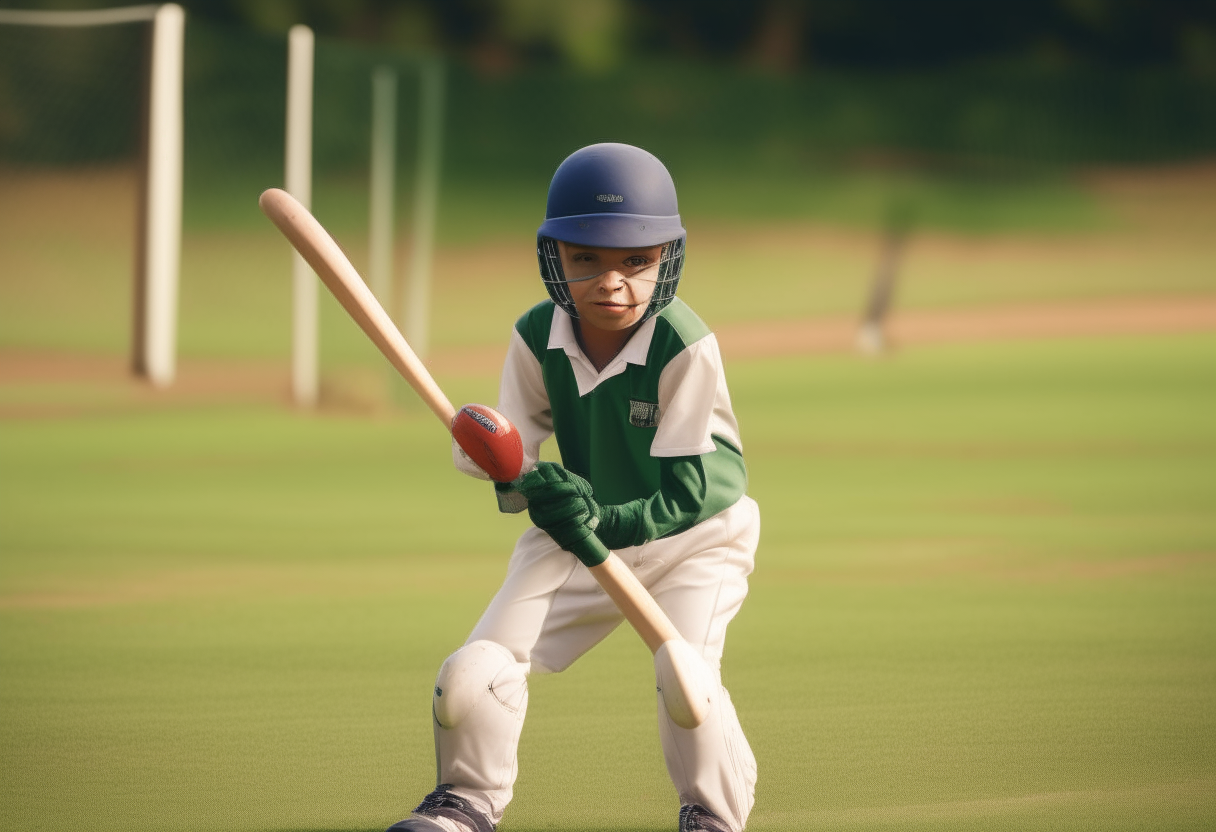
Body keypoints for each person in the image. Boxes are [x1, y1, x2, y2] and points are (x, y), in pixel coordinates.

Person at [388, 143, 760, 832]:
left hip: (697, 539)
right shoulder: (536, 335)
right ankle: (465, 802)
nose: (610, 282)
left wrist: (592, 513)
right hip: (575, 529)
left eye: (635, 261)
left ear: (667, 258)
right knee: (476, 668)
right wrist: (499, 464)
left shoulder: (684, 344)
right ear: (553, 255)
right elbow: (519, 463)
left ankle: (712, 815)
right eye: (586, 259)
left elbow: (691, 490)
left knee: (686, 681)